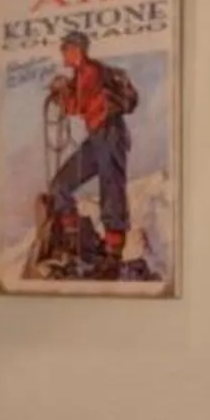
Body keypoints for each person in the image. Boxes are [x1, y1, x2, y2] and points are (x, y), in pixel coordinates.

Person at [41, 32, 136, 271]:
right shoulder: (81, 75)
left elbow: (77, 105)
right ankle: (73, 241)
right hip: (97, 137)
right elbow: (75, 103)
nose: (63, 53)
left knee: (111, 188)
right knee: (61, 184)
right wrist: (62, 91)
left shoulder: (92, 71)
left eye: (66, 49)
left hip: (110, 133)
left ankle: (113, 253)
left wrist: (62, 92)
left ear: (77, 50)